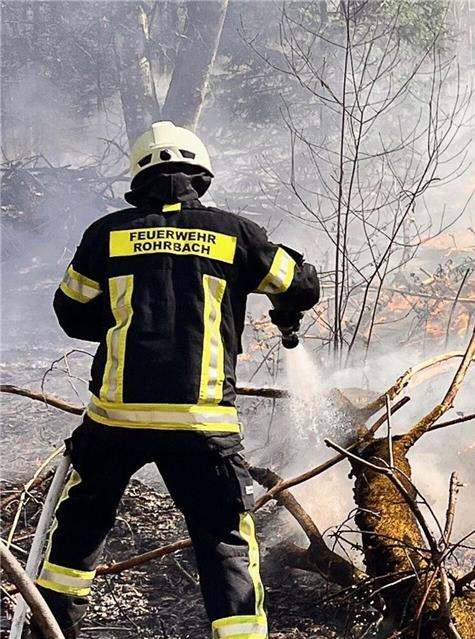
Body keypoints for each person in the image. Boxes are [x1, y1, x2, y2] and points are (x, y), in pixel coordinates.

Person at [33, 121, 320, 638]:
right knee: (225, 540)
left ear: (139, 177)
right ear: (199, 175)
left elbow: (71, 314)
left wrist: (129, 319)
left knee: (78, 532)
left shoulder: (106, 234)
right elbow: (300, 285)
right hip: (201, 421)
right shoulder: (235, 233)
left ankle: (49, 627)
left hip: (116, 419)